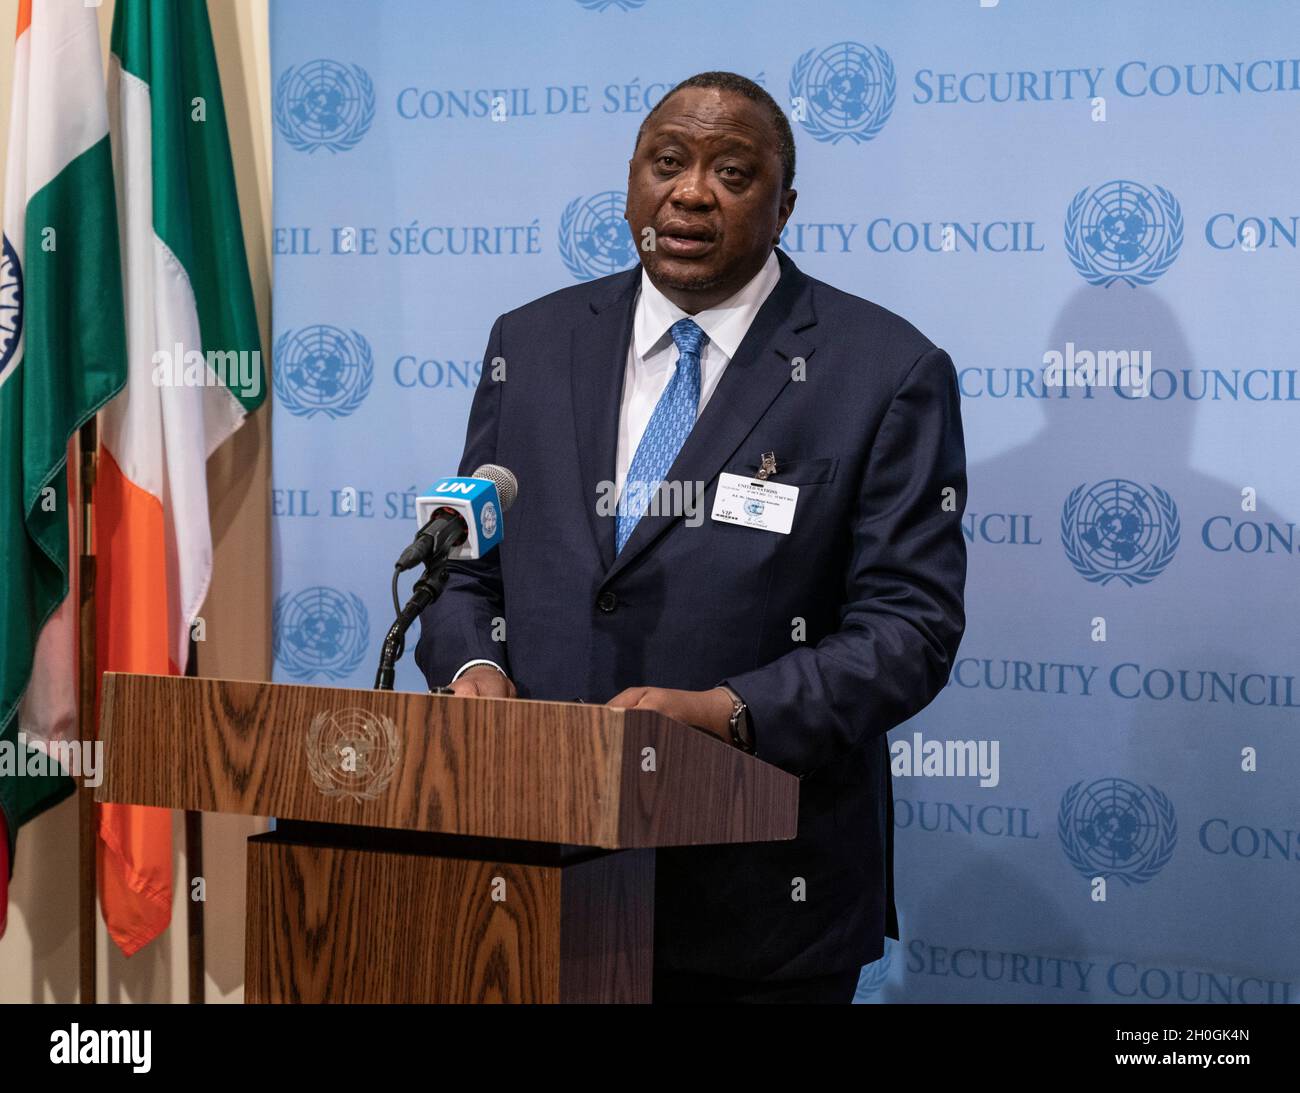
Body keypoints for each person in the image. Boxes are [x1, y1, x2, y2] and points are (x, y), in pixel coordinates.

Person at [415, 71, 967, 1005]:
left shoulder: (885, 369)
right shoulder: (533, 341)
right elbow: (467, 561)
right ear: (632, 180)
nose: (691, 191)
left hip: (757, 900)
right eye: (667, 162)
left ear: (785, 206)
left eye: (733, 172)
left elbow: (908, 630)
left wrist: (724, 713)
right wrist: (472, 671)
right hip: (532, 873)